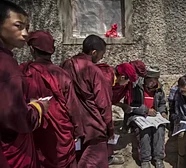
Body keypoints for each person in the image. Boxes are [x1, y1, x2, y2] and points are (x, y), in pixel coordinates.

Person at [20, 30, 83, 168]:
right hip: (60, 135)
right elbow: (73, 106)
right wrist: (78, 130)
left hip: (37, 128)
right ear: (52, 51)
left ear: (32, 49)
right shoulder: (62, 74)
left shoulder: (24, 73)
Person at [0, 1, 49, 168]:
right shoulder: (7, 66)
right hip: (11, 146)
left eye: (26, 27)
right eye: (18, 26)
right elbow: (18, 117)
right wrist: (39, 107)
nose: (25, 33)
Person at [61, 34, 113, 168]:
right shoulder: (93, 70)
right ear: (94, 52)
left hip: (72, 122)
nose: (101, 58)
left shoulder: (67, 64)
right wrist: (109, 127)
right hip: (93, 125)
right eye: (102, 54)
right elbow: (103, 103)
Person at [96, 62, 137, 165]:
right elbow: (103, 102)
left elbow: (110, 99)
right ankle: (103, 159)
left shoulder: (111, 76)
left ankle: (106, 157)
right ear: (122, 77)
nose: (127, 83)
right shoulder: (106, 79)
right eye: (127, 80)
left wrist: (122, 106)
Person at [128, 66, 167, 168]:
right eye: (151, 80)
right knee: (145, 132)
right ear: (146, 79)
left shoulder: (158, 89)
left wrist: (162, 112)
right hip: (139, 117)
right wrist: (146, 110)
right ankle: (145, 159)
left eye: (155, 80)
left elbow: (162, 103)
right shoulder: (137, 88)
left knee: (160, 129)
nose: (153, 83)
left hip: (154, 117)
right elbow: (131, 105)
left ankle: (158, 158)